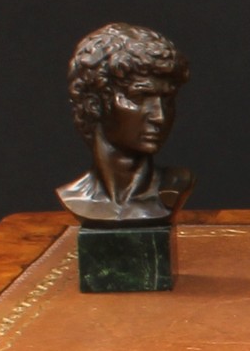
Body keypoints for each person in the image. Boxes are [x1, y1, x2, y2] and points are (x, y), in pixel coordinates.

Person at [57, 23, 193, 223]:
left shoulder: (174, 186)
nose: (159, 116)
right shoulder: (74, 196)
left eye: (167, 100)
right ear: (94, 103)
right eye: (139, 97)